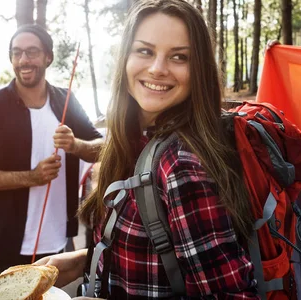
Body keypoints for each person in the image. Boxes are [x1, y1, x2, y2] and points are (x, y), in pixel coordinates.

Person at [35, 0, 258, 299]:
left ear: (199, 70)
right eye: (145, 51)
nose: (157, 69)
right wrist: (83, 261)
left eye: (179, 57)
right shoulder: (139, 141)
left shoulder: (180, 165)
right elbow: (156, 253)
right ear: (125, 57)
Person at [0, 24, 104, 276]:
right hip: (3, 246)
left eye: (32, 51)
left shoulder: (65, 100)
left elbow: (104, 149)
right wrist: (31, 177)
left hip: (59, 245)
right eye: (17, 53)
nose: (23, 60)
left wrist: (75, 145)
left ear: (48, 56)